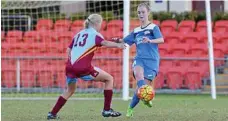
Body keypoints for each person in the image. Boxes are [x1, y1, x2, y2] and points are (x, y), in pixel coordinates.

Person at [47, 13, 125, 120]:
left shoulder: (78, 34)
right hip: (83, 68)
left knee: (69, 90)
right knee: (109, 79)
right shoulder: (95, 34)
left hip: (70, 67)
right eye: (101, 24)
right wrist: (118, 45)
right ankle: (107, 110)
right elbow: (104, 43)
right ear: (97, 23)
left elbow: (68, 49)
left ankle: (52, 113)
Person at [112, 2, 164, 117]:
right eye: (139, 12)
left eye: (143, 12)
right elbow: (125, 40)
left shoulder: (153, 28)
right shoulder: (136, 31)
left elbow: (161, 40)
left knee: (140, 90)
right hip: (139, 59)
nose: (141, 14)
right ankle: (145, 97)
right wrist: (117, 40)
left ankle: (132, 106)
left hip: (152, 61)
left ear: (148, 13)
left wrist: (150, 40)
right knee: (138, 75)